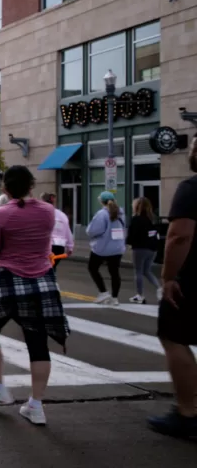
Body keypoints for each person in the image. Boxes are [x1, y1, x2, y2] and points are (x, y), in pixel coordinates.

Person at [0, 165, 67, 426]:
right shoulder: (49, 212)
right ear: (32, 185)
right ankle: (36, 405)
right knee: (38, 344)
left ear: (5, 188)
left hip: (7, 281)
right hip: (42, 283)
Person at [147, 137, 197, 438]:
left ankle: (187, 412)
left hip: (192, 281)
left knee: (174, 337)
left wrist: (168, 277)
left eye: (194, 148)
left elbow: (180, 236)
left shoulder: (191, 189)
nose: (190, 151)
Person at [86, 191, 126, 305]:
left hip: (102, 248)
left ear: (101, 201)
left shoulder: (101, 214)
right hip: (117, 248)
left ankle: (103, 292)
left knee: (93, 268)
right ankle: (115, 298)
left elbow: (92, 231)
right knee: (114, 272)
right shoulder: (121, 213)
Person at [126, 197, 161, 304]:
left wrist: (128, 243)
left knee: (139, 272)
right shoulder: (153, 218)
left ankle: (140, 295)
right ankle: (160, 288)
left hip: (140, 248)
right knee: (147, 271)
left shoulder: (136, 219)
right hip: (153, 248)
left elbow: (132, 235)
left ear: (137, 206)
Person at [40, 192, 74, 272]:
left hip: (46, 247)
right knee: (52, 269)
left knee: (44, 271)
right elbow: (67, 231)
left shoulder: (41, 214)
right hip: (59, 248)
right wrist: (70, 247)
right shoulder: (62, 215)